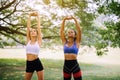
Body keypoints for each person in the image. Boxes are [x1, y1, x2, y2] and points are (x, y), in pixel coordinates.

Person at [25, 12, 44, 80]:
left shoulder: (38, 41)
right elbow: (28, 27)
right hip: (29, 63)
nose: (32, 32)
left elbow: (39, 28)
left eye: (34, 31)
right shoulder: (28, 41)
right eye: (31, 31)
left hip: (37, 62)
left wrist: (38, 16)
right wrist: (29, 16)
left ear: (37, 33)